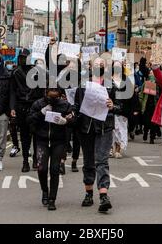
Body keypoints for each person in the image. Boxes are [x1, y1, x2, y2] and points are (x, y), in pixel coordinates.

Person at [74, 57, 122, 213]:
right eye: (96, 64)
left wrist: (113, 106)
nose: (98, 66)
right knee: (88, 162)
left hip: (104, 127)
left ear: (105, 67)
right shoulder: (82, 85)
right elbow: (76, 105)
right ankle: (88, 193)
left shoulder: (111, 85)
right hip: (86, 128)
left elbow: (121, 107)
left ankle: (103, 195)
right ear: (90, 66)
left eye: (101, 64)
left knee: (102, 160)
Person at [28, 86, 74, 211]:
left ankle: (52, 199)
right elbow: (29, 120)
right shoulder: (38, 104)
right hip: (41, 140)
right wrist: (41, 113)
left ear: (59, 95)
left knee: (54, 169)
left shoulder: (65, 105)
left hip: (58, 141)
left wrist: (65, 121)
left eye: (56, 96)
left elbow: (74, 119)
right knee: (42, 168)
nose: (53, 98)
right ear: (46, 93)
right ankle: (44, 191)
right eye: (50, 96)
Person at [10, 49, 44, 172]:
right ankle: (25, 161)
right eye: (22, 57)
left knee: (36, 134)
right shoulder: (15, 73)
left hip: (35, 106)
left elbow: (41, 90)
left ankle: (35, 159)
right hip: (21, 106)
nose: (23, 59)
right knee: (24, 136)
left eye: (26, 57)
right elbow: (12, 91)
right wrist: (13, 107)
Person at [139, 69, 161, 143]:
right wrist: (141, 103)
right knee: (146, 122)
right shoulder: (145, 83)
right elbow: (141, 94)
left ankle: (152, 138)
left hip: (154, 106)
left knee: (153, 123)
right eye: (151, 73)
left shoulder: (158, 84)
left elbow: (159, 94)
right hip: (146, 105)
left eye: (153, 73)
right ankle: (145, 134)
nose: (152, 75)